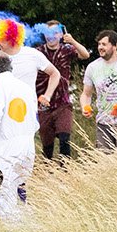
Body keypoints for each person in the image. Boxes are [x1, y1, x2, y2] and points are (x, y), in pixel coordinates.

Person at [0, 54, 38, 222]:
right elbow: (35, 122)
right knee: (20, 190)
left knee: (2, 192)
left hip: (4, 150)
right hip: (27, 147)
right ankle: (26, 229)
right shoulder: (26, 88)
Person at [36, 23, 91, 162]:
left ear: (61, 34)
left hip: (63, 103)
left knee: (64, 138)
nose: (51, 36)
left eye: (55, 33)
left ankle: (66, 171)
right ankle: (48, 172)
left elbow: (85, 55)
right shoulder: (38, 52)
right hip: (43, 104)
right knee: (47, 146)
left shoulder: (67, 50)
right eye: (48, 33)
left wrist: (72, 41)